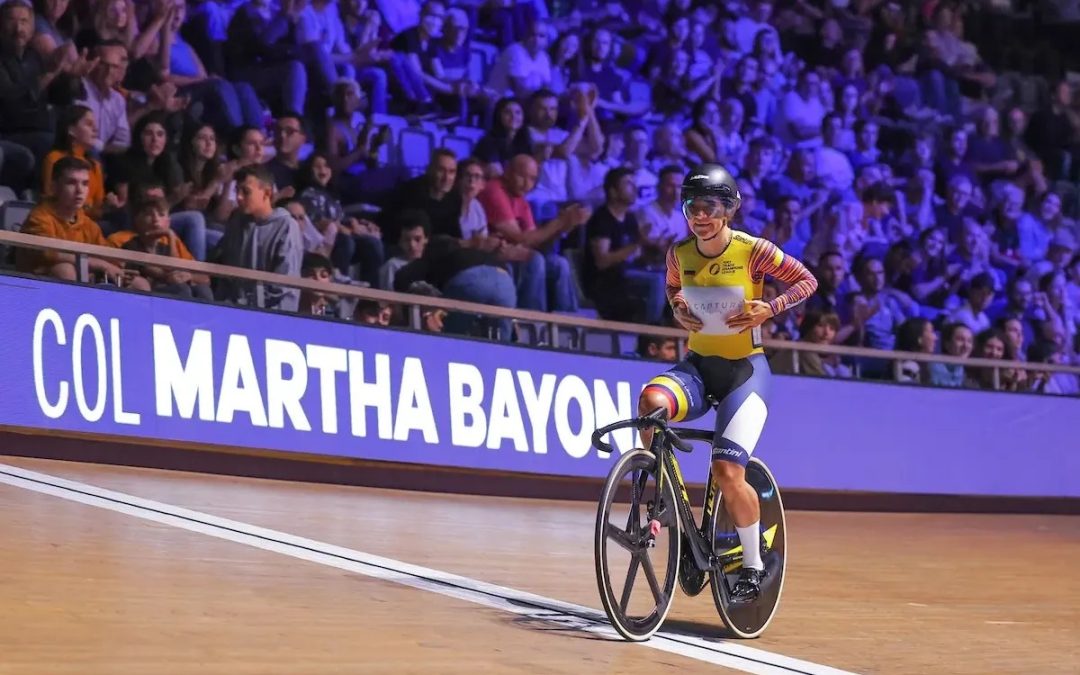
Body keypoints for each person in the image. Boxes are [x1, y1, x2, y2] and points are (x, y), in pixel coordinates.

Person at [637, 163, 817, 603]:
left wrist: (769, 308)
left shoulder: (753, 250)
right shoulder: (678, 253)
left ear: (729, 210)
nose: (700, 215)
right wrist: (679, 308)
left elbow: (807, 280)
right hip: (699, 367)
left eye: (710, 207)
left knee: (727, 471)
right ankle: (666, 506)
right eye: (692, 206)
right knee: (650, 400)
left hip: (745, 373)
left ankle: (754, 566)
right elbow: (674, 291)